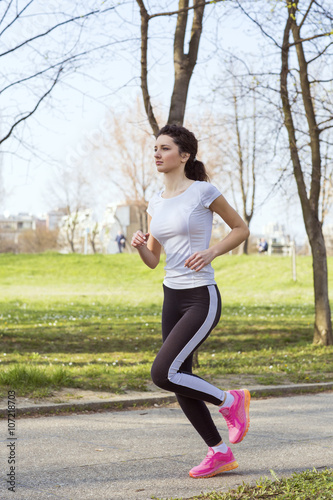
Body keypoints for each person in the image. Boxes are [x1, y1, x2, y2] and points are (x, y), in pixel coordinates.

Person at [131, 124, 251, 479]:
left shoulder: (203, 192)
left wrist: (212, 251)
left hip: (201, 296)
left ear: (184, 155)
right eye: (155, 148)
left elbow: (241, 229)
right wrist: (140, 246)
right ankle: (219, 452)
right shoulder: (155, 201)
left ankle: (231, 401)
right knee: (178, 376)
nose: (157, 153)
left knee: (162, 372)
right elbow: (154, 260)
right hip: (172, 296)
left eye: (165, 148)